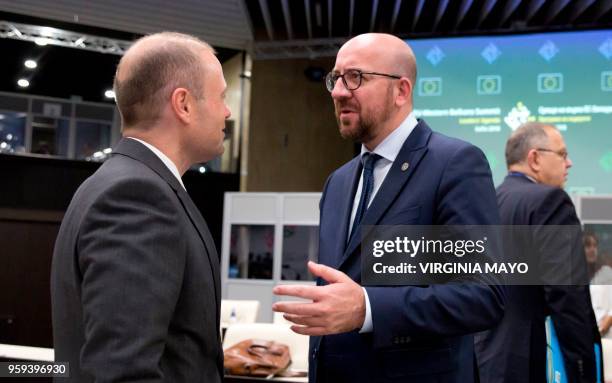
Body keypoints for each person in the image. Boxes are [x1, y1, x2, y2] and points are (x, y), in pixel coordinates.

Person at [272, 33, 505, 383]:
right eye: (335, 79)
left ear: (402, 91)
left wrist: (367, 308)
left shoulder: (454, 164)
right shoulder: (338, 181)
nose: (338, 92)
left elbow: (484, 294)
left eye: (356, 77)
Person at [51, 32, 230, 382]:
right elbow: (122, 370)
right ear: (184, 104)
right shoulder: (138, 196)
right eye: (221, 96)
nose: (227, 111)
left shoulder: (115, 183)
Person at [475, 122, 600, 383]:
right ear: (534, 158)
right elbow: (566, 296)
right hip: (528, 361)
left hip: (485, 360)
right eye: (563, 154)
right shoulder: (550, 201)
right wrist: (583, 372)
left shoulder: (489, 202)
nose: (570, 163)